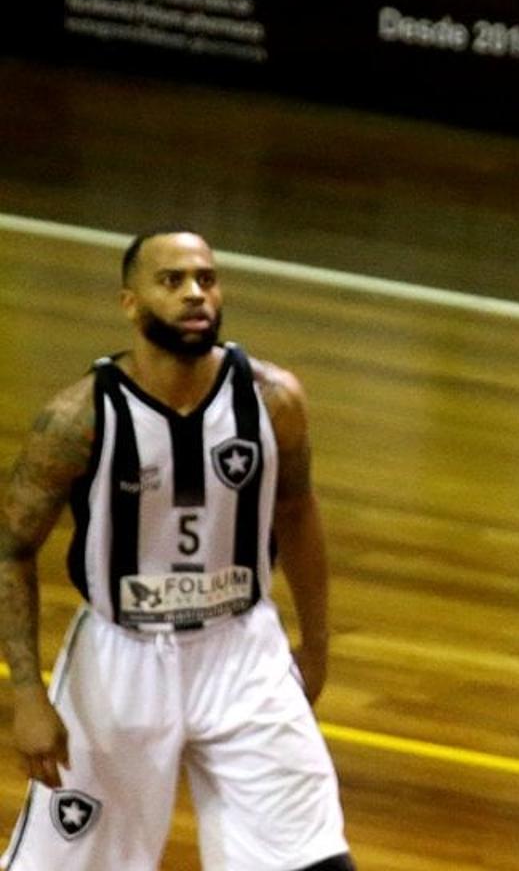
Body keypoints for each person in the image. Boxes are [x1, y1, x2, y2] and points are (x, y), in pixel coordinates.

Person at [0, 231, 351, 870]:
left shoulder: (272, 401)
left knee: (313, 862)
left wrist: (318, 644)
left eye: (207, 278)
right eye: (173, 280)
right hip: (121, 661)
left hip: (242, 648)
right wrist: (28, 694)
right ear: (130, 304)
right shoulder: (78, 419)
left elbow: (298, 512)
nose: (195, 292)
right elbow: (11, 547)